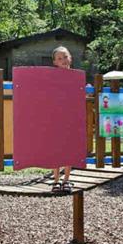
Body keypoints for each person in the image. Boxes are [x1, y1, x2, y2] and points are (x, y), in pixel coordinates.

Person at [51, 46, 74, 194]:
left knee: (68, 147)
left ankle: (66, 179)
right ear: (55, 62)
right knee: (55, 148)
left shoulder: (76, 76)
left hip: (70, 118)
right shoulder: (52, 77)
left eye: (65, 57)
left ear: (70, 58)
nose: (63, 60)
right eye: (59, 58)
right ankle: (56, 180)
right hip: (55, 117)